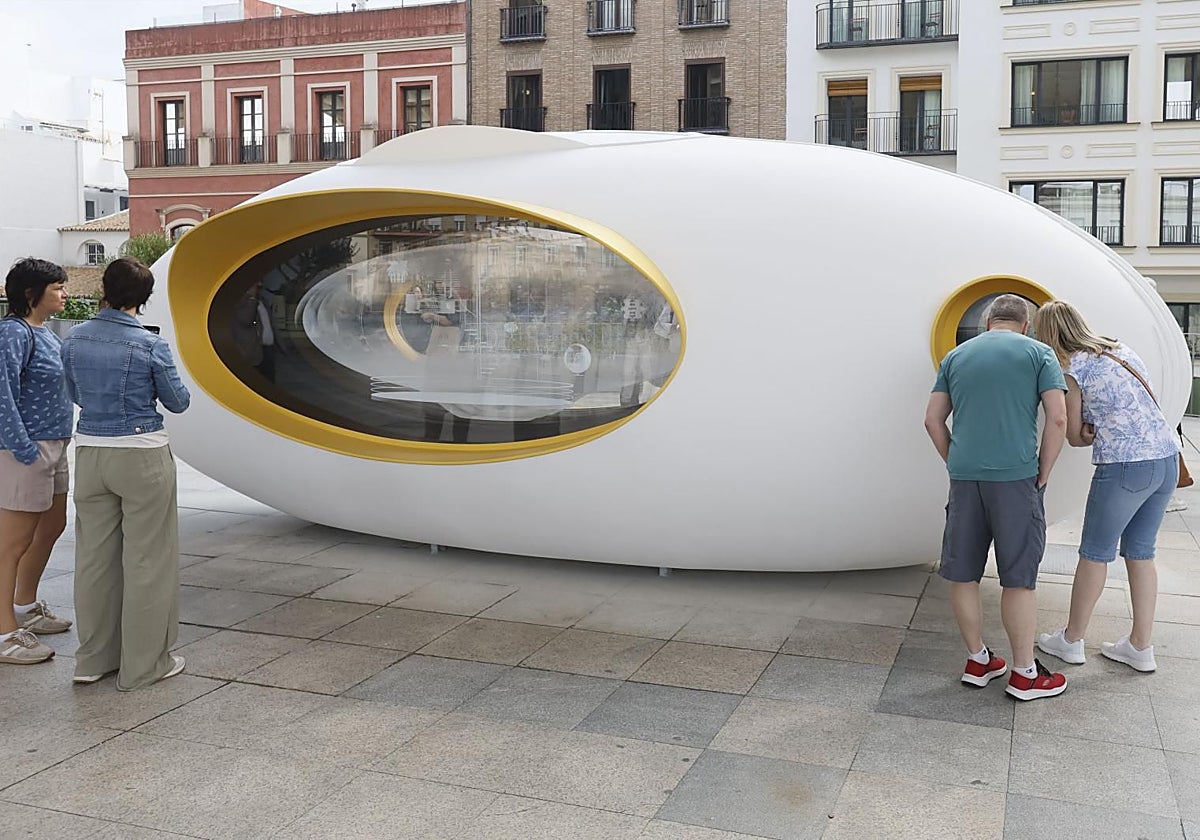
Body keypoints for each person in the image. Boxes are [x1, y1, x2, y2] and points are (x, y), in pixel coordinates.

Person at [924, 294, 1069, 701]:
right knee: (1018, 577)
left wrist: (956, 460)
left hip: (965, 477)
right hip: (1017, 478)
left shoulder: (957, 356)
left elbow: (932, 420)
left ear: (989, 321)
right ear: (1025, 323)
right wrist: (1045, 469)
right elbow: (1058, 418)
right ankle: (1025, 674)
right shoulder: (1039, 354)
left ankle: (977, 659)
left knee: (963, 572)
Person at [61, 257, 191, 690]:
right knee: (147, 560)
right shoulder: (150, 345)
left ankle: (92, 660)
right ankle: (143, 665)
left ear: (104, 288)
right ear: (145, 298)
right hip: (141, 454)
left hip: (93, 451)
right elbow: (178, 402)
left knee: (94, 560)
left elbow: (75, 393)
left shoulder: (74, 340)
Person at [1033, 300, 1178, 673]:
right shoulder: (1119, 349)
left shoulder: (1070, 367)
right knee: (1141, 552)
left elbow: (1075, 437)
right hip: (1165, 460)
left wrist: (1088, 428)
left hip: (1125, 465)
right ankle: (1140, 647)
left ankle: (1071, 640)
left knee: (1095, 552)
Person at [0, 258, 74, 665]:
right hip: (26, 449)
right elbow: (2, 393)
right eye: (58, 287)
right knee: (11, 543)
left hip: (56, 444)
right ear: (32, 293)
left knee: (53, 525)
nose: (65, 293)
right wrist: (22, 448)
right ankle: (4, 632)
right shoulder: (12, 334)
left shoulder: (45, 334)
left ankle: (25, 606)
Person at [232, 279, 275, 382]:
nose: (260, 285)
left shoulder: (262, 300)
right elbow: (246, 320)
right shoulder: (241, 301)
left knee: (269, 383)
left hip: (268, 349)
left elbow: (269, 322)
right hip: (252, 350)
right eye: (256, 283)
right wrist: (251, 298)